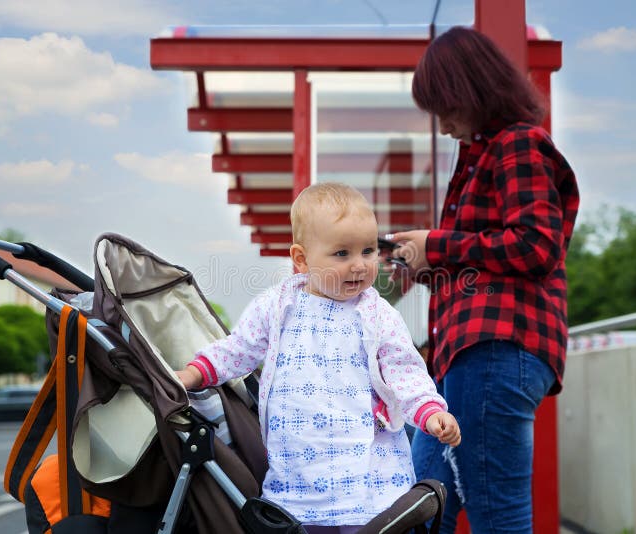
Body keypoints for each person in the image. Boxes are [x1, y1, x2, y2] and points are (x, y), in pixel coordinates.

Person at [176, 182, 461, 534]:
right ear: (301, 259)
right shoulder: (278, 307)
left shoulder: (378, 315)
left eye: (368, 251)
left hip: (368, 479)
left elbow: (405, 373)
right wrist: (193, 374)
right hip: (297, 477)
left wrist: (430, 412)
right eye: (342, 253)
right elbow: (238, 349)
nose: (359, 265)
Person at [386, 27, 580, 534]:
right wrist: (428, 265)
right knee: (417, 508)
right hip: (471, 354)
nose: (443, 125)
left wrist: (437, 245)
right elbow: (497, 258)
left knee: (494, 514)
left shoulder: (518, 145)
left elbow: (536, 246)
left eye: (446, 109)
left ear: (471, 91)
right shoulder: (488, 154)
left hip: (494, 350)